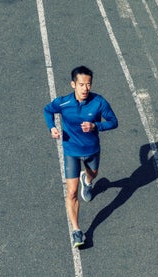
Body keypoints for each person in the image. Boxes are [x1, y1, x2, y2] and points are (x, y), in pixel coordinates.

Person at [44, 66, 118, 248]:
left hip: (92, 149)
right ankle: (77, 231)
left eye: (89, 84)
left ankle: (88, 179)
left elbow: (114, 122)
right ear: (73, 84)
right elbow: (47, 110)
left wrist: (96, 127)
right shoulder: (63, 103)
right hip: (71, 151)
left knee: (93, 173)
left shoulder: (99, 102)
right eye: (81, 84)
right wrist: (52, 127)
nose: (85, 88)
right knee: (71, 192)